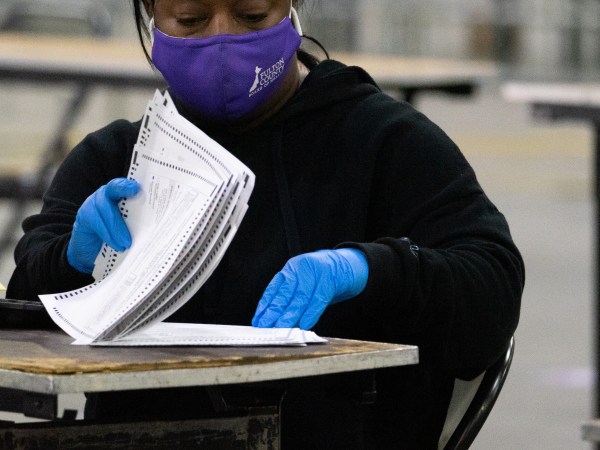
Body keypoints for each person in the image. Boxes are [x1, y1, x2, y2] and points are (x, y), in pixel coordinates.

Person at [6, 0, 525, 448]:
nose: (223, 40)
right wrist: (67, 262)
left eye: (252, 16)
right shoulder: (114, 160)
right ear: (150, 18)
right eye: (189, 20)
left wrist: (370, 269)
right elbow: (24, 323)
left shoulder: (382, 143)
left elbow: (491, 288)